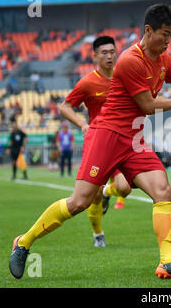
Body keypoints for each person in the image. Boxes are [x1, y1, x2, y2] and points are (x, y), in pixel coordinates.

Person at [9, 4, 171, 280]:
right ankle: (23, 242)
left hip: (133, 138)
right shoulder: (131, 60)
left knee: (164, 191)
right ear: (147, 30)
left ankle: (167, 262)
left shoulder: (165, 60)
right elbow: (148, 103)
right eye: (164, 34)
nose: (168, 41)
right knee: (79, 202)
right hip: (106, 136)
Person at [59, 35, 131, 247]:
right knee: (93, 196)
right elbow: (64, 107)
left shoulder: (124, 77)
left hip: (120, 142)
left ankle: (110, 192)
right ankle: (98, 234)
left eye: (112, 52)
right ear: (95, 56)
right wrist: (82, 123)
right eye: (104, 53)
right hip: (98, 144)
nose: (109, 56)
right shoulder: (88, 82)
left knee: (125, 188)